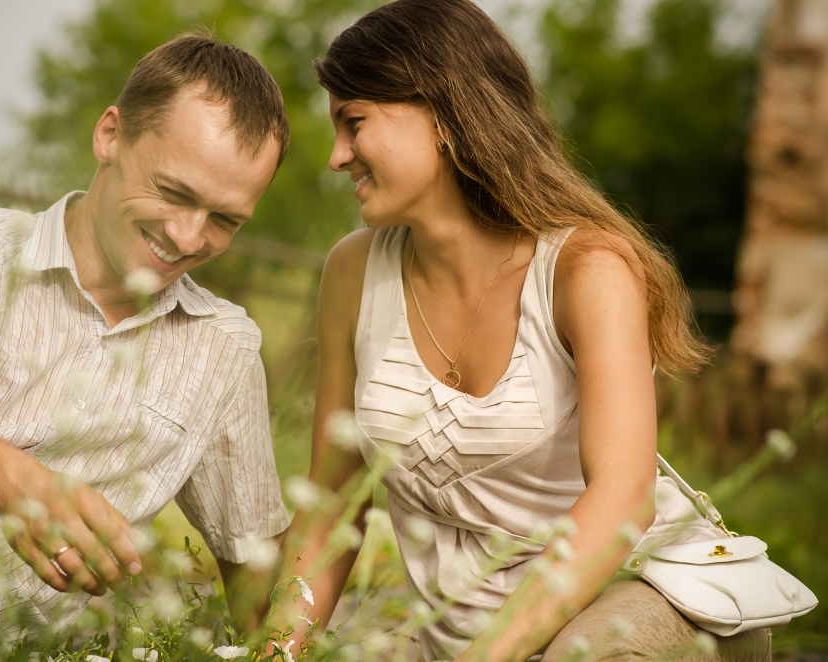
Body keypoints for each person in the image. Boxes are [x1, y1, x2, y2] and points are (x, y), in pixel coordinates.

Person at [270, 1, 772, 660]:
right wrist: (271, 652)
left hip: (640, 601)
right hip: (473, 635)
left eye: (354, 122)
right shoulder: (352, 273)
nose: (338, 156)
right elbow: (332, 504)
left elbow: (623, 497)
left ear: (445, 118)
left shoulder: (587, 270)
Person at [0, 32, 291, 650]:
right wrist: (23, 487)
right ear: (110, 136)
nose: (187, 237)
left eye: (225, 220)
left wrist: (284, 647)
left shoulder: (226, 350)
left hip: (11, 647)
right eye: (174, 193)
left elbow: (254, 561)